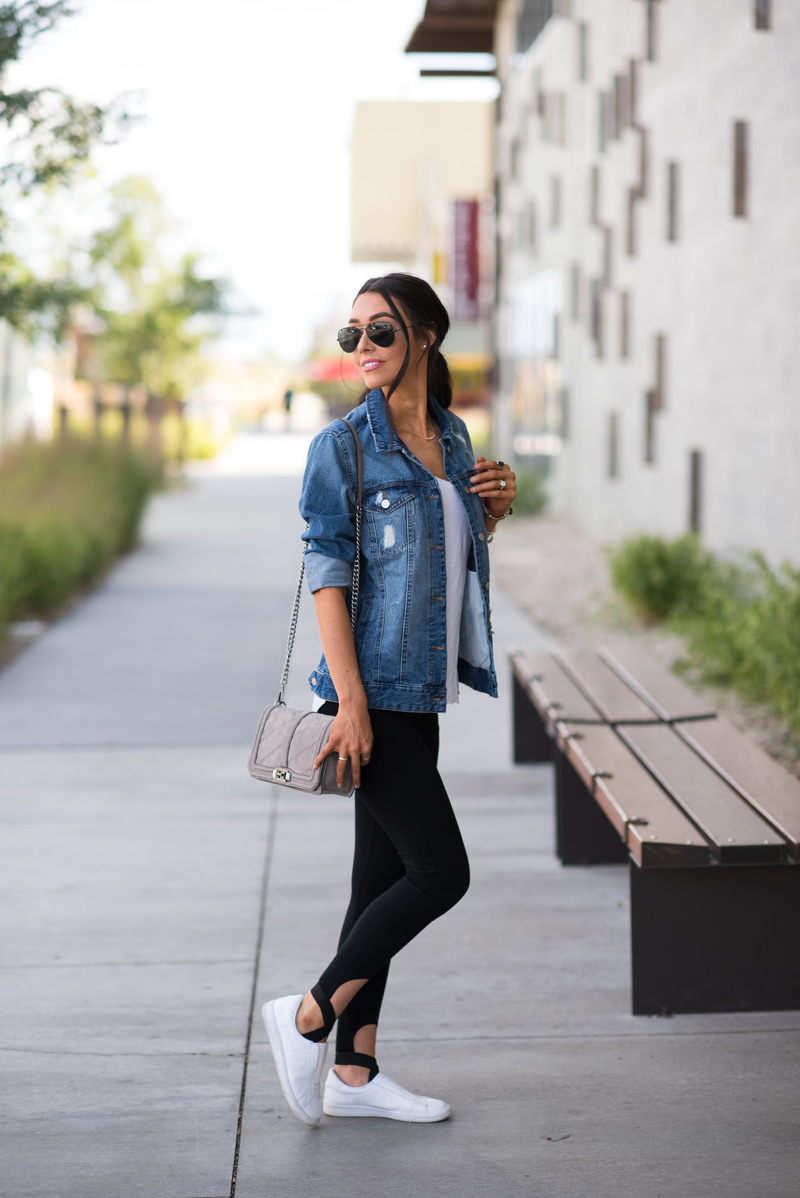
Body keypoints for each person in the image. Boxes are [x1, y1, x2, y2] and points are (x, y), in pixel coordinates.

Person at [262, 272, 516, 1127]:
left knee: (380, 884)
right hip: (369, 697)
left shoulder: (451, 434)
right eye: (354, 335)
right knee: (442, 873)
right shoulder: (342, 448)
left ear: (427, 337)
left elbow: (443, 557)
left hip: (423, 692)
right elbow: (328, 577)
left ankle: (356, 1075)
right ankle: (307, 1013)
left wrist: (494, 511)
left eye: (381, 333)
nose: (363, 349)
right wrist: (352, 706)